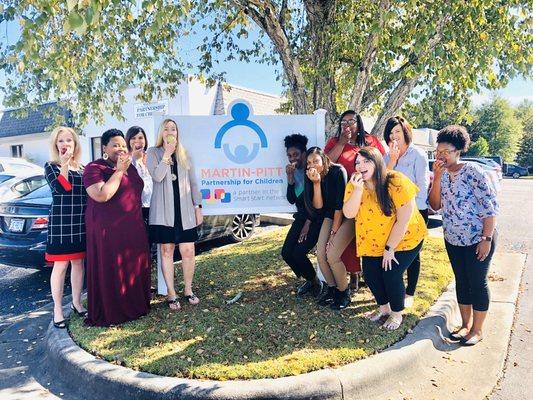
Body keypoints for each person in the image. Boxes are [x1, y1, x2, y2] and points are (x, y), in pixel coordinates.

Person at [343, 147, 427, 330]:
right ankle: (384, 309)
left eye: (366, 161)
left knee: (391, 274)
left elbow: (404, 219)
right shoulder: (354, 184)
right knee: (372, 276)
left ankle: (397, 314)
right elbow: (349, 213)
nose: (360, 166)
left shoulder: (396, 181)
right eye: (357, 162)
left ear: (377, 162)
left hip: (405, 238)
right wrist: (357, 190)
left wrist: (390, 249)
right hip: (372, 240)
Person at [429, 125, 498, 346]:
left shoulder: (473, 172)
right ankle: (465, 325)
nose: (441, 156)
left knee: (477, 283)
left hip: (478, 239)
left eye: (445, 151)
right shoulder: (442, 174)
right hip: (453, 239)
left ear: (458, 150)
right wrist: (437, 178)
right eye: (438, 152)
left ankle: (478, 330)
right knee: (461, 281)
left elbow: (490, 208)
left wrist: (486, 239)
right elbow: (435, 205)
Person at [83, 129, 151, 326]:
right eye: (115, 145)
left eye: (123, 145)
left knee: (132, 266)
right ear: (104, 147)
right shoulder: (94, 167)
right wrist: (119, 171)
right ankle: (114, 311)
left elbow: (142, 192)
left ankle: (136, 306)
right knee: (111, 268)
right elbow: (102, 195)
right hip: (107, 230)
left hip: (133, 226)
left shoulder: (130, 166)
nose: (120, 149)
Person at [324, 110, 386, 290]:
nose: (347, 125)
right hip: (344, 198)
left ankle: (369, 273)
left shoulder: (370, 141)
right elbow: (326, 163)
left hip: (370, 198)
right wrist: (342, 143)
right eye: (343, 122)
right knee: (348, 240)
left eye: (351, 121)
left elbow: (381, 163)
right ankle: (353, 274)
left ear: (358, 123)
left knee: (368, 234)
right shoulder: (335, 142)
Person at [146, 119, 203, 311]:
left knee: (188, 250)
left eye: (173, 129)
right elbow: (157, 176)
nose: (170, 132)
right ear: (161, 133)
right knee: (166, 251)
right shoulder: (153, 153)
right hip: (163, 212)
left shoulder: (185, 154)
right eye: (166, 129)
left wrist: (198, 206)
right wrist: (166, 155)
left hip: (185, 210)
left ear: (177, 133)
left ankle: (188, 289)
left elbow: (193, 183)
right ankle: (171, 293)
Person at [383, 116, 430, 307]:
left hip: (415, 211)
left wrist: (411, 212)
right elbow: (383, 183)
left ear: (405, 133)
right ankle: (395, 288)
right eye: (391, 133)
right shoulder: (386, 158)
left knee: (412, 252)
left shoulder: (417, 155)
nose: (394, 137)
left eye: (398, 132)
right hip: (392, 214)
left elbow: (423, 185)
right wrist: (392, 160)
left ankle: (409, 292)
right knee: (393, 248)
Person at [44, 127, 87, 329]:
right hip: (61, 225)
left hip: (80, 223)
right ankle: (58, 309)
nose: (65, 144)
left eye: (69, 140)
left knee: (78, 264)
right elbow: (62, 188)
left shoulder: (83, 167)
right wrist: (64, 165)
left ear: (75, 144)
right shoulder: (51, 166)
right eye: (61, 141)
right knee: (60, 267)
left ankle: (76, 302)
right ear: (56, 145)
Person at [304, 147, 350, 310]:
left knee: (332, 254)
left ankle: (344, 292)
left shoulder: (338, 172)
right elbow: (318, 207)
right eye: (309, 163)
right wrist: (316, 183)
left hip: (348, 215)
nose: (312, 166)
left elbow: (339, 207)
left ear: (324, 159)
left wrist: (333, 235)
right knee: (321, 255)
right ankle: (332, 289)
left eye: (316, 161)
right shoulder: (311, 177)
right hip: (329, 215)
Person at [280, 134, 323, 297]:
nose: (293, 159)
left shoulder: (312, 172)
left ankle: (315, 282)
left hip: (315, 219)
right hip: (301, 218)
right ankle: (310, 279)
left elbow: (317, 204)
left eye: (296, 155)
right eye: (289, 156)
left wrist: (308, 224)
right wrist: (290, 178)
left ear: (304, 154)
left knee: (298, 252)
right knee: (286, 253)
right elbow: (292, 200)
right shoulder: (295, 173)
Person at [125, 126, 152, 227]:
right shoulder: (125, 160)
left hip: (154, 208)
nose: (137, 141)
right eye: (133, 138)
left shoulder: (152, 157)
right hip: (135, 209)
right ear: (128, 140)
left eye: (140, 138)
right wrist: (133, 159)